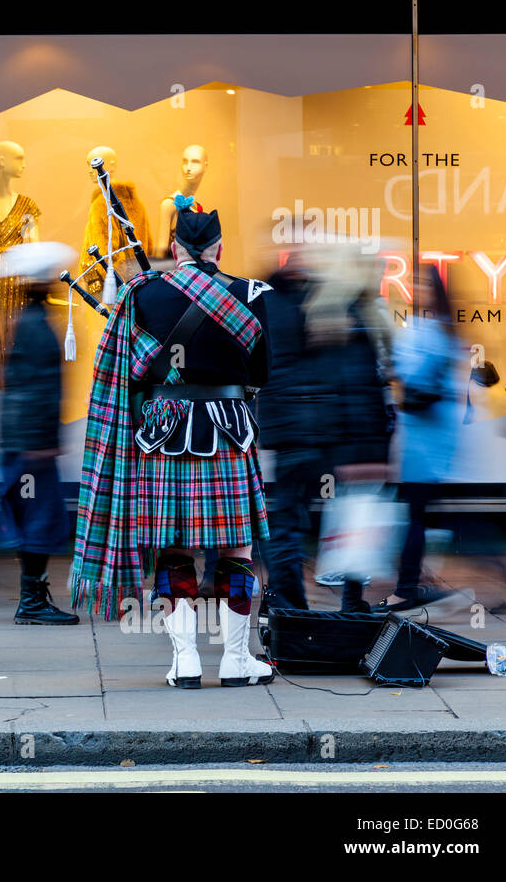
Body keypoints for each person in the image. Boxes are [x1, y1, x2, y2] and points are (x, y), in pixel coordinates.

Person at [70, 200, 273, 688]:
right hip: (228, 430)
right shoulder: (252, 293)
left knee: (173, 552)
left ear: (174, 247)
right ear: (220, 247)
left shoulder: (144, 294)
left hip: (164, 431)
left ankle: (185, 662)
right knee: (236, 550)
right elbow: (261, 375)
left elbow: (127, 378)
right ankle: (236, 661)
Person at [258, 241, 394, 609]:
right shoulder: (345, 311)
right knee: (348, 515)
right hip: (329, 433)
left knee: (290, 519)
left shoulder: (275, 301)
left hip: (294, 432)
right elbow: (356, 385)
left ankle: (290, 604)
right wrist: (370, 444)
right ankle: (345, 604)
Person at [343, 265, 465, 615]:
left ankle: (405, 589)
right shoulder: (446, 331)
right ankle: (414, 581)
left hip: (420, 444)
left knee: (412, 515)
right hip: (437, 441)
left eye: (420, 283)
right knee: (418, 514)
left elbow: (406, 376)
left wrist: (389, 365)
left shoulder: (424, 331)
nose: (414, 288)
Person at [0, 240, 79, 625]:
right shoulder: (35, 325)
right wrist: (43, 443)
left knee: (39, 517)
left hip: (27, 441)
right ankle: (31, 602)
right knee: (40, 518)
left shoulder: (25, 320)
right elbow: (36, 389)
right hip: (32, 444)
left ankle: (34, 596)